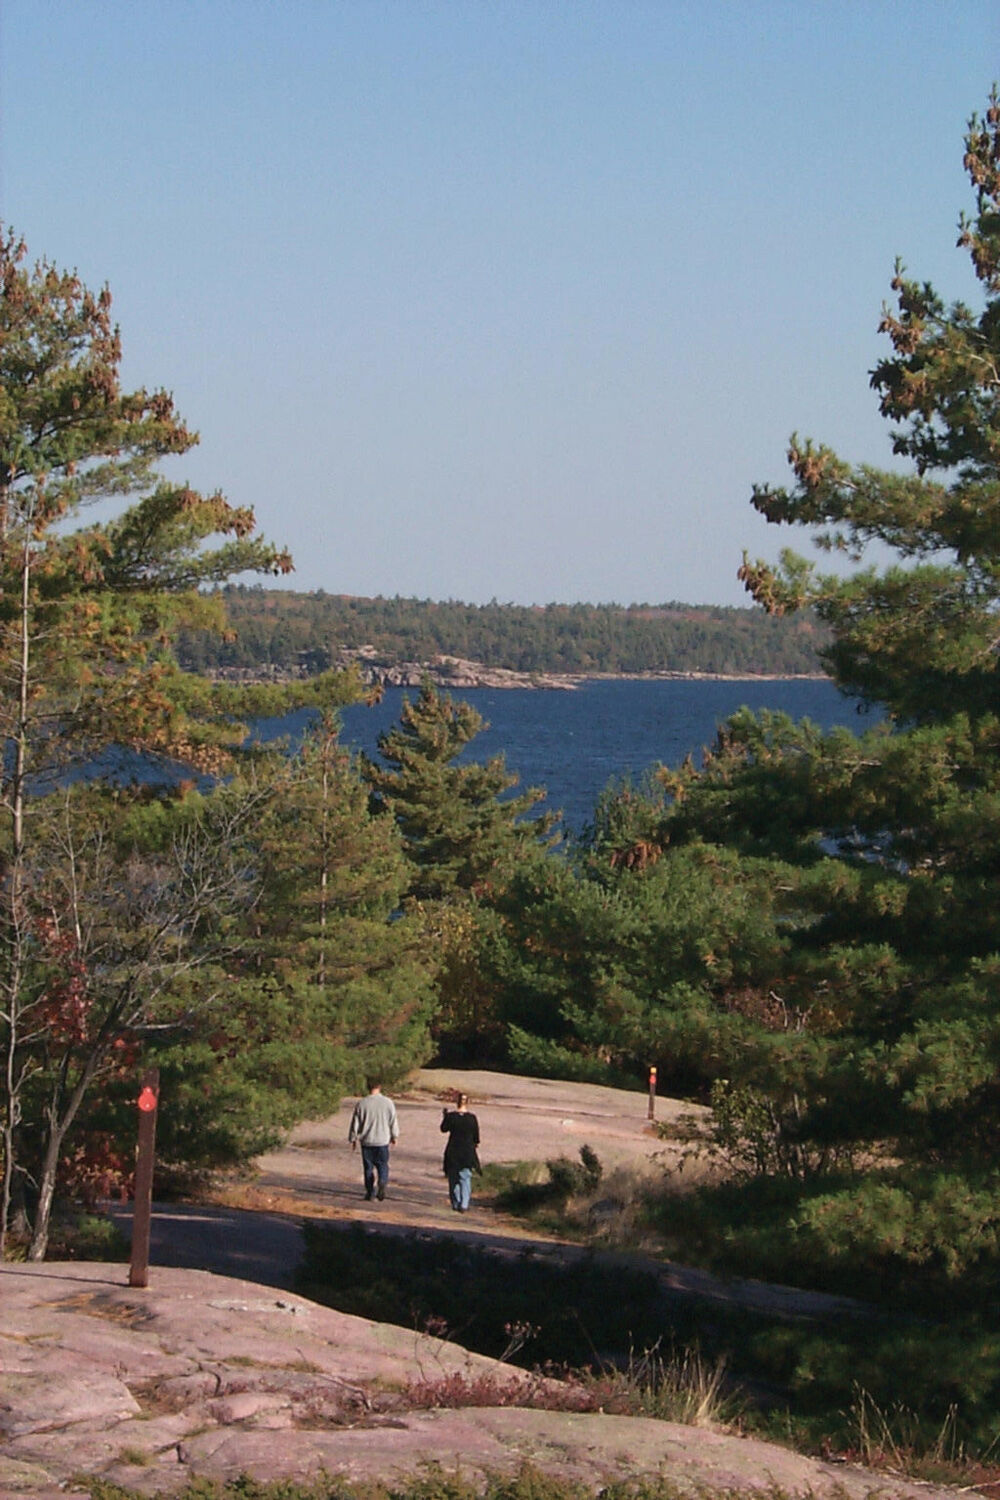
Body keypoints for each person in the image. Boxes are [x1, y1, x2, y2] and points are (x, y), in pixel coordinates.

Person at [348, 1080, 398, 1201]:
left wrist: (353, 1138)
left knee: (368, 1167)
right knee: (382, 1165)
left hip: (367, 1141)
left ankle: (370, 1192)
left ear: (367, 1087)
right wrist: (394, 1135)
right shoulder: (388, 1103)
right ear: (380, 1086)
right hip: (382, 1140)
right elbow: (393, 1120)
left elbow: (356, 1123)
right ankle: (382, 1182)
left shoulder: (362, 1103)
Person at [440, 1092, 480, 1212]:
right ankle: (464, 1203)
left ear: (456, 1102)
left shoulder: (451, 1117)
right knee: (465, 1178)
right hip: (467, 1151)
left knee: (453, 1179)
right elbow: (476, 1138)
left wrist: (445, 1117)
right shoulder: (472, 1118)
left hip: (453, 1150)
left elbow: (443, 1129)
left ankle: (456, 1202)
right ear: (467, 1103)